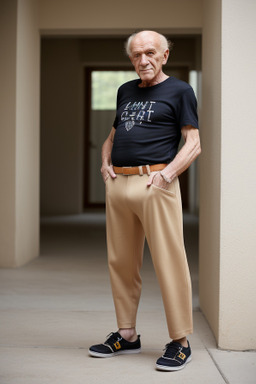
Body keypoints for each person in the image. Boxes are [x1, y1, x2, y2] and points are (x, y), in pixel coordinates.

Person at [89, 30, 201, 372]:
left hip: (156, 183)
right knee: (121, 262)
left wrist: (167, 176)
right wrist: (106, 163)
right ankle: (127, 334)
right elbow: (113, 134)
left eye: (150, 53)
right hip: (119, 184)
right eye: (137, 55)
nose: (143, 60)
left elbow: (193, 143)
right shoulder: (126, 91)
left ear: (164, 55)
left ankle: (180, 341)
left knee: (170, 262)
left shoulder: (180, 90)